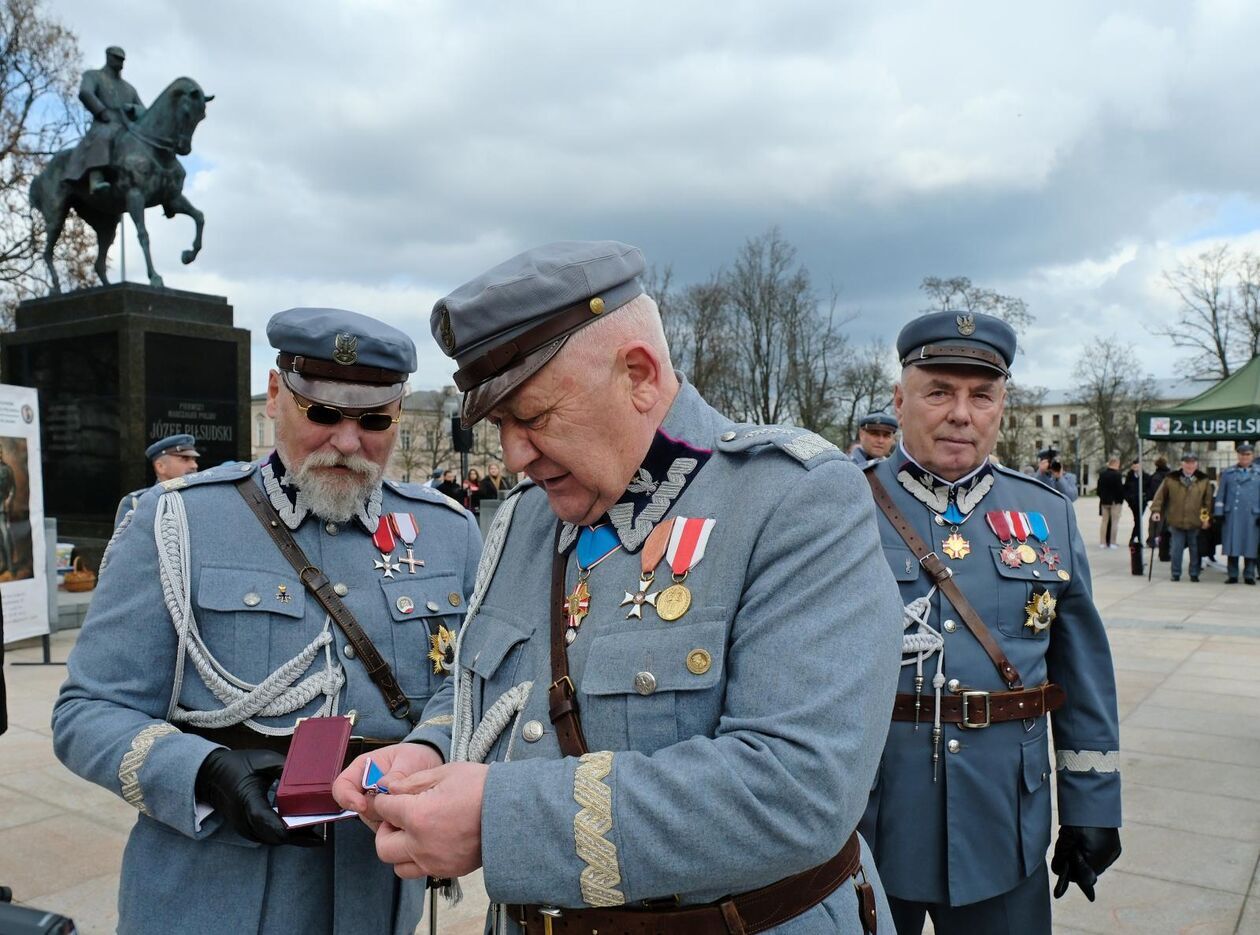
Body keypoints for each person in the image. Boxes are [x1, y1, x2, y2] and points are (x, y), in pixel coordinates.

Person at [333, 240, 903, 934]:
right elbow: (497, 696)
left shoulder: (792, 500)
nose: (514, 454)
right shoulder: (524, 519)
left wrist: (496, 818)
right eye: (501, 424)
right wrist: (429, 753)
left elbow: (798, 790)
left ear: (638, 373)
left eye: (534, 416)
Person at [53, 307, 482, 935]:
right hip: (212, 891)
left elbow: (470, 684)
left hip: (374, 888)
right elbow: (86, 710)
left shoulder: (449, 533)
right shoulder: (176, 523)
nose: (347, 441)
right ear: (278, 394)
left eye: (373, 421)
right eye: (323, 414)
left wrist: (427, 749)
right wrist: (201, 772)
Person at [858, 311, 1121, 935]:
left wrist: (1093, 802)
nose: (961, 413)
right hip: (867, 815)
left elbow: (1080, 672)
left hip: (1003, 817)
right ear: (900, 400)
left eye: (982, 395)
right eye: (939, 392)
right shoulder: (842, 507)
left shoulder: (1045, 513)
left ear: (1002, 406)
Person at [65, 47, 146, 196]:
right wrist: (101, 111)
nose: (120, 62)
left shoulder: (129, 89)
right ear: (108, 56)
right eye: (117, 58)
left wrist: (133, 109)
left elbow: (144, 112)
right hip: (104, 123)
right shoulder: (93, 76)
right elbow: (85, 92)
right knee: (103, 136)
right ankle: (96, 179)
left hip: (127, 127)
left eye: (122, 59)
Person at [113, 434, 202, 527]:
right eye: (185, 459)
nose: (194, 465)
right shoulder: (136, 502)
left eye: (194, 459)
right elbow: (125, 540)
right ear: (160, 467)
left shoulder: (202, 498)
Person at [1150, 452, 1212, 582]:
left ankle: (1194, 573)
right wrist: (1156, 510)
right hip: (1176, 520)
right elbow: (1160, 496)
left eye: (1192, 462)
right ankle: (1175, 573)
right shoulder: (1171, 478)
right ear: (1182, 464)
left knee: (1195, 550)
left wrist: (1205, 518)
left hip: (1195, 521)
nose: (1190, 465)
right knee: (1176, 549)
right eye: (1187, 462)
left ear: (1196, 464)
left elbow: (1206, 502)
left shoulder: (1203, 480)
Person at [1214, 442, 1260, 584]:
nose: (1244, 457)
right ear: (1238, 456)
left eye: (1247, 454)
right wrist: (1219, 513)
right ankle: (1232, 574)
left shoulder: (1259, 473)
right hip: (1232, 515)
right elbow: (1221, 494)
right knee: (1232, 545)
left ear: (1252, 456)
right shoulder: (1228, 473)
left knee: (1250, 545)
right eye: (1242, 454)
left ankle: (1249, 575)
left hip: (1253, 515)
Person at [1121, 458, 1153, 545]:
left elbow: (1150, 489)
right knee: (1137, 519)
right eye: (1134, 466)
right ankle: (1136, 538)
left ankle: (1135, 538)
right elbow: (1125, 489)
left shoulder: (1146, 476)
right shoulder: (1129, 476)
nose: (1135, 467)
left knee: (1138, 519)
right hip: (1133, 502)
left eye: (1137, 465)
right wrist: (1128, 498)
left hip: (1142, 501)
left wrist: (1147, 497)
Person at [1096, 456, 1125, 549]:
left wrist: (1102, 497)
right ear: (1116, 463)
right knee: (1114, 522)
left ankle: (1102, 542)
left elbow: (1099, 489)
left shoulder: (1102, 474)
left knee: (1104, 522)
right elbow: (1120, 489)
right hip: (1114, 502)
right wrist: (1120, 500)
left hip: (1104, 501)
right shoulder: (1117, 475)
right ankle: (1112, 542)